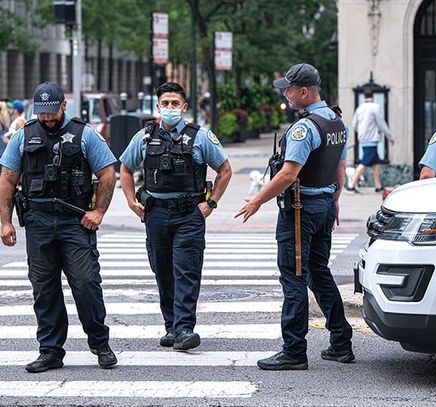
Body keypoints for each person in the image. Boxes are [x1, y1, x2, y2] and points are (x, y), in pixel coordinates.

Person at [235, 63, 354, 370]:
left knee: (294, 277)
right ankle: (341, 342)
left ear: (304, 92)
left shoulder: (305, 128)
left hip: (301, 212)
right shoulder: (338, 122)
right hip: (324, 205)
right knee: (318, 271)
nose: (285, 94)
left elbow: (288, 174)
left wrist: (257, 201)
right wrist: (335, 200)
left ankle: (294, 351)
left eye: (288, 89)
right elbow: (340, 169)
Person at [0, 82, 118, 372]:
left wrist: (99, 211)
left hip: (75, 221)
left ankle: (100, 344)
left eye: (52, 112)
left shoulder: (84, 134)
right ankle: (50, 351)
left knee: (86, 283)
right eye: (42, 113)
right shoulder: (23, 135)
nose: (47, 118)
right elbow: (7, 179)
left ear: (64, 106)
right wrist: (5, 222)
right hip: (38, 222)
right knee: (44, 288)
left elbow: (107, 174)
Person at [119, 82, 232, 351]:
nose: (170, 108)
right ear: (158, 107)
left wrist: (211, 203)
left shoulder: (201, 136)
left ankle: (184, 328)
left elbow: (225, 170)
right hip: (156, 213)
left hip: (189, 214)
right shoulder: (145, 137)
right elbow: (124, 168)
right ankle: (171, 325)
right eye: (165, 103)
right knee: (163, 271)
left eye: (175, 104)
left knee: (186, 270)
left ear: (185, 107)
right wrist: (131, 201)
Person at [346, 90, 394, 193]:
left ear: (364, 97)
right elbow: (381, 123)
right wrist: (389, 136)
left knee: (375, 163)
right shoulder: (375, 107)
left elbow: (354, 124)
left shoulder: (360, 108)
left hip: (363, 139)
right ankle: (351, 185)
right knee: (365, 161)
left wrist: (361, 133)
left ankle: (378, 186)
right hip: (372, 139)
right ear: (373, 96)